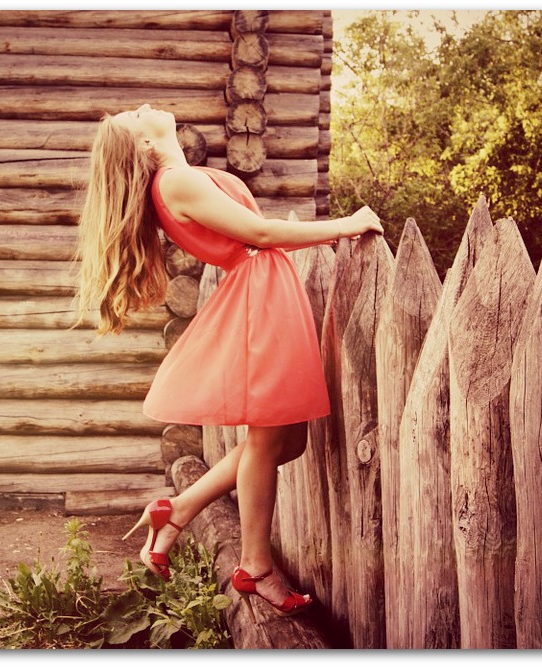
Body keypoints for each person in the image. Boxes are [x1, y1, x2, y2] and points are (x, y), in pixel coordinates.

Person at [75, 103, 383, 621]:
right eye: (134, 115)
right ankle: (254, 566)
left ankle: (179, 509)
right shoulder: (173, 183)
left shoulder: (180, 178)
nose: (143, 107)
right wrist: (345, 225)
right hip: (259, 294)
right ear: (145, 145)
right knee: (268, 438)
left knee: (289, 440)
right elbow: (260, 235)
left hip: (264, 288)